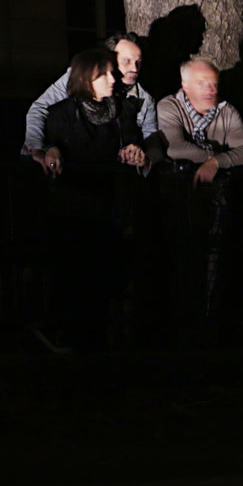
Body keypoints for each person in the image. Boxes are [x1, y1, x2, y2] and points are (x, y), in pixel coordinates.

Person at [38, 48, 149, 348]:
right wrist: (53, 152)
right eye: (105, 73)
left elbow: (132, 143)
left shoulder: (122, 112)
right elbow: (54, 144)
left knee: (103, 282)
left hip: (109, 210)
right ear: (88, 77)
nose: (113, 78)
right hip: (75, 211)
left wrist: (133, 151)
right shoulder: (62, 113)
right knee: (76, 278)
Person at [155, 56, 243, 341]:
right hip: (178, 201)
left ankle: (209, 324)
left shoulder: (227, 111)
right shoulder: (169, 106)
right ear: (185, 85)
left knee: (216, 259)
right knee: (182, 262)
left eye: (214, 83)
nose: (211, 89)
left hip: (217, 203)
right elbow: (174, 148)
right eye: (202, 83)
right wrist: (220, 159)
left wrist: (214, 164)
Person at [26, 33, 157, 168]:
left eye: (138, 62)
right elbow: (40, 109)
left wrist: (143, 157)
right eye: (127, 61)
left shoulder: (140, 98)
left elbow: (150, 139)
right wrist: (39, 149)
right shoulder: (81, 76)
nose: (134, 69)